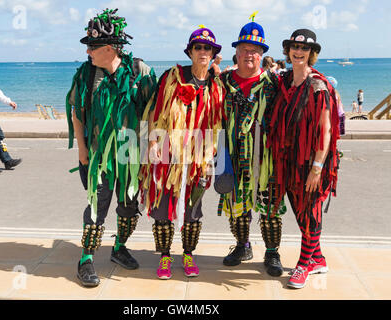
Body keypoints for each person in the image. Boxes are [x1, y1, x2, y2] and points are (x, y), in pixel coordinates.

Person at [66, 8, 156, 287]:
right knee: (97, 205)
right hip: (98, 157)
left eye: (92, 47)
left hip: (131, 154)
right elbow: (77, 114)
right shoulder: (86, 74)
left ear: (108, 48)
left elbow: (153, 112)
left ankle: (119, 248)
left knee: (129, 206)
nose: (88, 52)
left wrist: (152, 147)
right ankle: (86, 259)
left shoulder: (141, 72)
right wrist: (82, 152)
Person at [139, 25, 224, 280]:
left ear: (212, 53)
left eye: (207, 48)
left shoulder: (216, 84)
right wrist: (153, 142)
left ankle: (188, 253)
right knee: (163, 205)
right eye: (198, 47)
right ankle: (165, 256)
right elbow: (155, 111)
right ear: (190, 52)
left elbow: (219, 120)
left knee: (193, 208)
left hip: (199, 157)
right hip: (169, 154)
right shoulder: (172, 77)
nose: (202, 51)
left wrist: (211, 156)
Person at [268, 29, 340, 289]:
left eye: (304, 49)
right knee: (300, 213)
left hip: (311, 162)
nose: (298, 52)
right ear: (288, 50)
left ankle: (303, 264)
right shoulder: (284, 80)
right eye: (294, 47)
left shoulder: (318, 85)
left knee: (310, 212)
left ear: (312, 54)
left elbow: (326, 129)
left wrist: (318, 167)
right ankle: (318, 259)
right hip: (288, 161)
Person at [216, 16, 287, 277]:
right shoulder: (223, 83)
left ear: (262, 55)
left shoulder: (274, 84)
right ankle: (242, 246)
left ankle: (272, 252)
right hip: (233, 156)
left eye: (255, 51)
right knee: (237, 207)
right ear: (236, 51)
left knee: (269, 207)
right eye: (245, 49)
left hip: (265, 158)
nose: (250, 54)